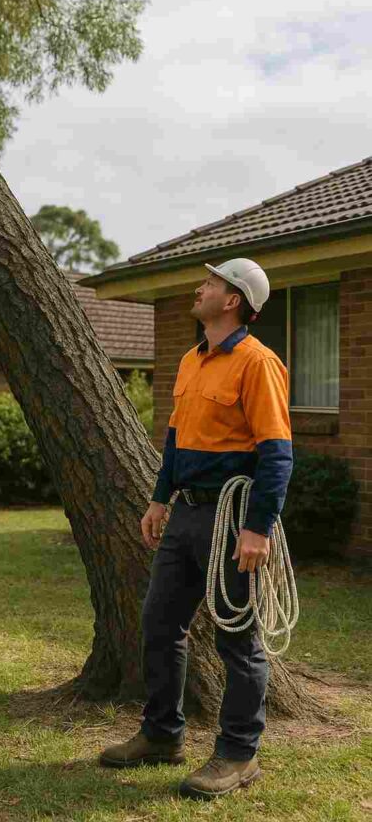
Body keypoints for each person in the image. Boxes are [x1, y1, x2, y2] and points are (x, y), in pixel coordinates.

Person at [99, 258, 293, 800]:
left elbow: (277, 455)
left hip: (233, 521)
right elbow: (175, 439)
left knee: (238, 639)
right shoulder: (190, 359)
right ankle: (162, 735)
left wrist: (258, 528)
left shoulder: (258, 363)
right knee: (160, 624)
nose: (199, 288)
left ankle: (237, 753)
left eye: (210, 284)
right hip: (185, 514)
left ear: (233, 300)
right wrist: (160, 499)